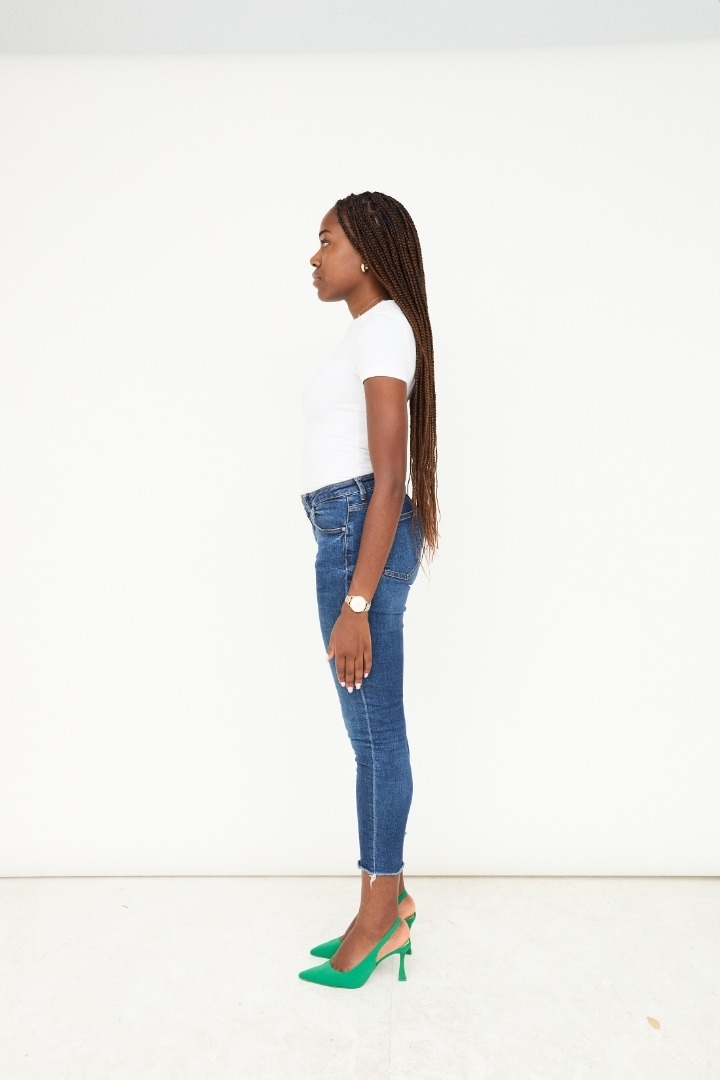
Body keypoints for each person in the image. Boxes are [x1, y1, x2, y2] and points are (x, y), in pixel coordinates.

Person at [298, 191, 439, 990]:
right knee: (371, 737)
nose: (314, 258)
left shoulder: (383, 327)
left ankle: (378, 917)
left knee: (378, 738)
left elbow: (389, 478)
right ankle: (390, 901)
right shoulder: (369, 331)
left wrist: (357, 603)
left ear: (366, 251)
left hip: (361, 539)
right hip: (350, 534)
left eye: (326, 241)